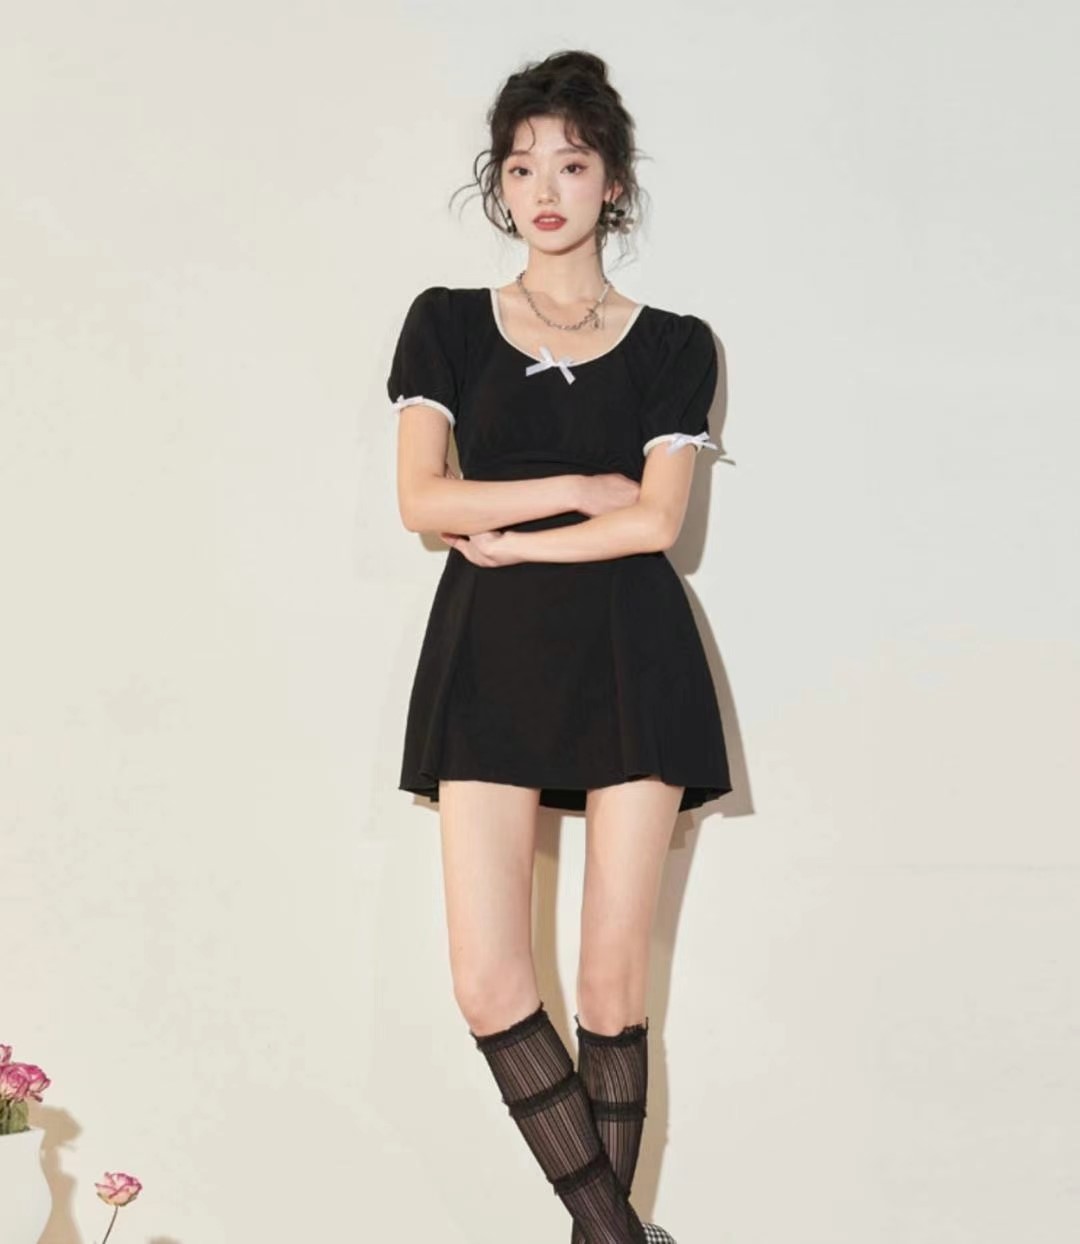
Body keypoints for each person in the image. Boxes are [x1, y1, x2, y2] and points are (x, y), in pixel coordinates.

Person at [386, 49, 735, 1244]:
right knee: (489, 981)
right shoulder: (447, 323)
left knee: (610, 983)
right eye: (523, 164)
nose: (545, 188)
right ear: (499, 181)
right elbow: (421, 499)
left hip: (633, 656)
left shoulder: (676, 343)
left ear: (613, 184)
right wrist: (580, 486)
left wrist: (522, 534)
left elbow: (656, 521)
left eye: (572, 165)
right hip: (488, 660)